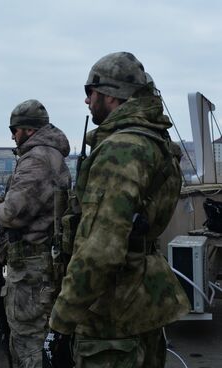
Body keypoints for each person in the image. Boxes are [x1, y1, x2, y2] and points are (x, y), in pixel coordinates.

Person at [43, 52, 190, 367]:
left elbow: (101, 248)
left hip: (110, 314)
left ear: (110, 95)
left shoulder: (121, 150)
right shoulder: (155, 140)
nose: (87, 101)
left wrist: (60, 322)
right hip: (142, 303)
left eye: (90, 92)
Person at [0, 99, 71, 367]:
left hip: (32, 271)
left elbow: (11, 213)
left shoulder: (36, 159)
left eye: (15, 129)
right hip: (41, 264)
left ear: (29, 130)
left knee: (29, 343)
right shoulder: (51, 155)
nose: (12, 135)